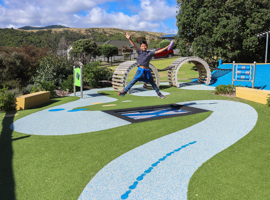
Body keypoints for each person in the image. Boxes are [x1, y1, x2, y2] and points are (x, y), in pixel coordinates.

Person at [118, 32, 172, 99]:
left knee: (152, 83)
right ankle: (124, 92)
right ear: (140, 47)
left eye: (145, 46)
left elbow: (158, 51)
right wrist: (129, 39)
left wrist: (167, 47)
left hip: (147, 71)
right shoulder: (139, 51)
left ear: (147, 46)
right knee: (133, 81)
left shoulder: (149, 53)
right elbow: (134, 45)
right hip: (140, 70)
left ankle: (159, 94)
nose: (144, 47)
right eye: (142, 46)